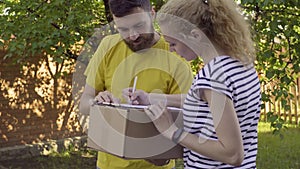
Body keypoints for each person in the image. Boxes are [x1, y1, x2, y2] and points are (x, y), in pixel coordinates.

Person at [124, 0, 261, 168]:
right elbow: (204, 103)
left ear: (195, 35)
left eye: (173, 43)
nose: (171, 50)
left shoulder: (212, 77)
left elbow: (232, 154)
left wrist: (172, 132)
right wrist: (150, 98)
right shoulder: (242, 65)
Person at [78, 0, 193, 168]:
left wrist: (162, 157)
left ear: (152, 14)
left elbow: (186, 117)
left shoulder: (176, 55)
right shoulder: (108, 46)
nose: (133, 36)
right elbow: (84, 104)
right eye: (123, 29)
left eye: (139, 26)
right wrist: (98, 103)